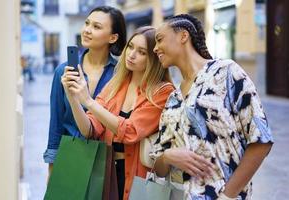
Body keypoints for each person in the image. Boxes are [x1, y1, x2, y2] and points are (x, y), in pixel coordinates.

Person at [151, 14, 273, 200]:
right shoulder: (173, 99)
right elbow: (159, 168)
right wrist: (167, 156)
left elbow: (261, 140)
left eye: (160, 39)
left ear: (183, 36)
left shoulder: (226, 72)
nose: (155, 48)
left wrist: (227, 196)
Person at [61, 26, 174, 200]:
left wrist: (89, 102)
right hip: (107, 174)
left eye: (142, 52)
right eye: (130, 47)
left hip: (140, 179)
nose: (131, 55)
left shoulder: (161, 93)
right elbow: (90, 130)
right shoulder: (116, 84)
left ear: (154, 58)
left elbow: (130, 131)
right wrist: (73, 98)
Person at [43, 6, 127, 179]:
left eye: (96, 27)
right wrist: (52, 169)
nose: (87, 30)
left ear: (113, 37)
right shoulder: (63, 71)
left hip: (108, 162)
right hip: (71, 156)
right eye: (87, 23)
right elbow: (56, 123)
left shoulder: (121, 74)